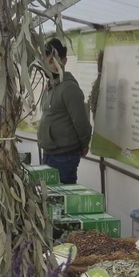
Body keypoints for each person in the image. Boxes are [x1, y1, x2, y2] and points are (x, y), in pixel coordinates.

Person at [36, 37, 91, 186]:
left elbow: (81, 121)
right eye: (47, 61)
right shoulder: (51, 86)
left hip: (64, 156)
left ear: (64, 61)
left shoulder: (69, 88)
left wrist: (84, 143)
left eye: (54, 61)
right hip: (49, 153)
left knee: (63, 197)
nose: (50, 65)